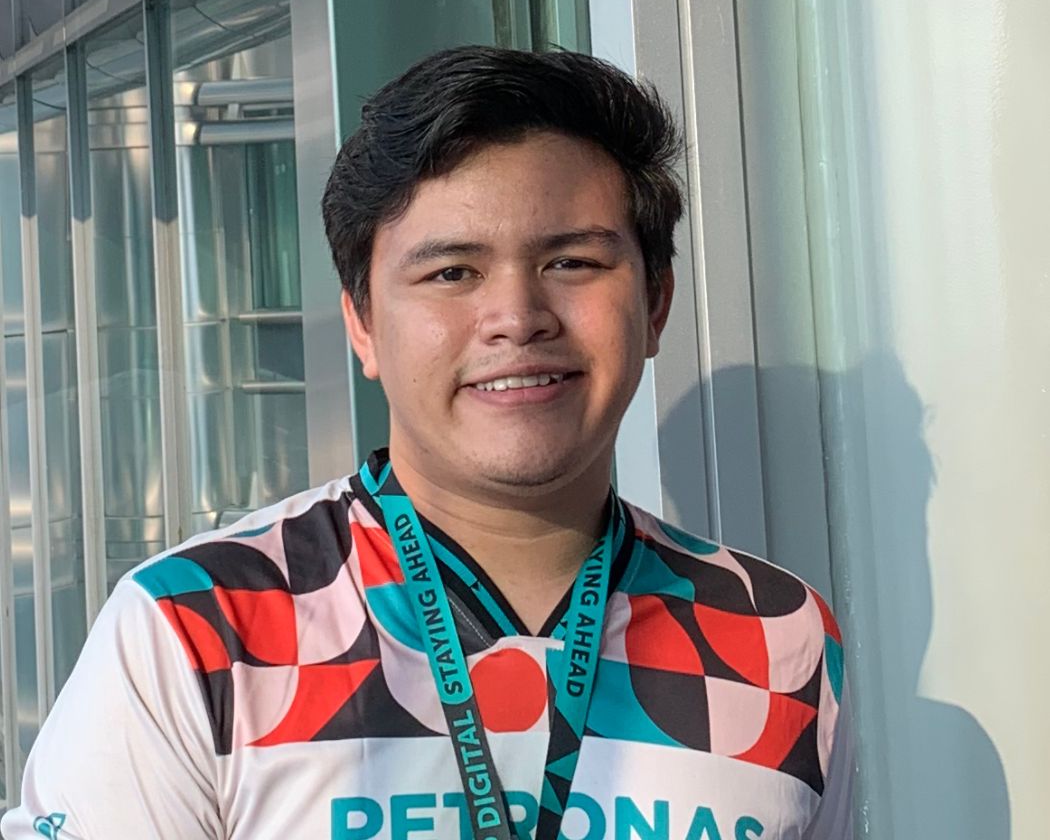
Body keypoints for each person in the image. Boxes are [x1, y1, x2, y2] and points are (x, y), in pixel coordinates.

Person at [1, 47, 853, 839]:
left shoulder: (779, 636)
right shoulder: (201, 627)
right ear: (362, 324)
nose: (517, 317)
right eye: (452, 272)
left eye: (572, 263)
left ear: (656, 303)